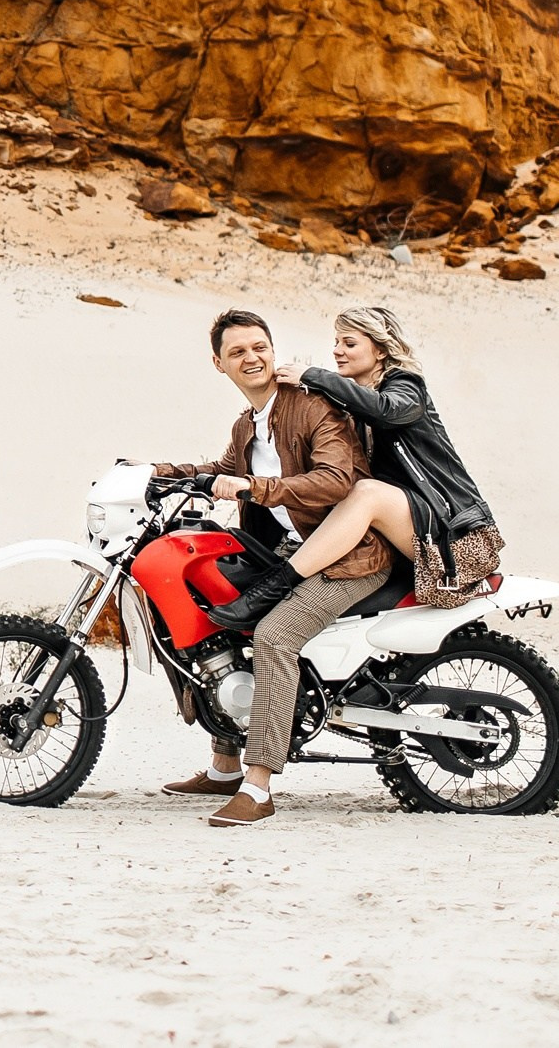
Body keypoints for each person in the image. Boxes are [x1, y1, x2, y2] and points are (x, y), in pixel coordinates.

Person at [149, 310, 396, 827]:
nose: (252, 357)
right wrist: (161, 473)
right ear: (219, 364)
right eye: (238, 352)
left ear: (272, 349)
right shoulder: (247, 425)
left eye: (259, 346)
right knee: (213, 614)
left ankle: (258, 789)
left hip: (349, 558)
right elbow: (225, 470)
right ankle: (224, 766)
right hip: (289, 551)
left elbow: (335, 479)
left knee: (275, 635)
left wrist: (253, 489)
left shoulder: (312, 406)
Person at [257, 305, 504, 612]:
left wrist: (312, 375)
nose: (337, 351)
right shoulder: (352, 404)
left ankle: (280, 582)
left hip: (457, 539)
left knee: (366, 493)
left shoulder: (407, 387)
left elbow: (385, 410)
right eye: (335, 343)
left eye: (349, 343)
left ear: (380, 349)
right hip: (411, 533)